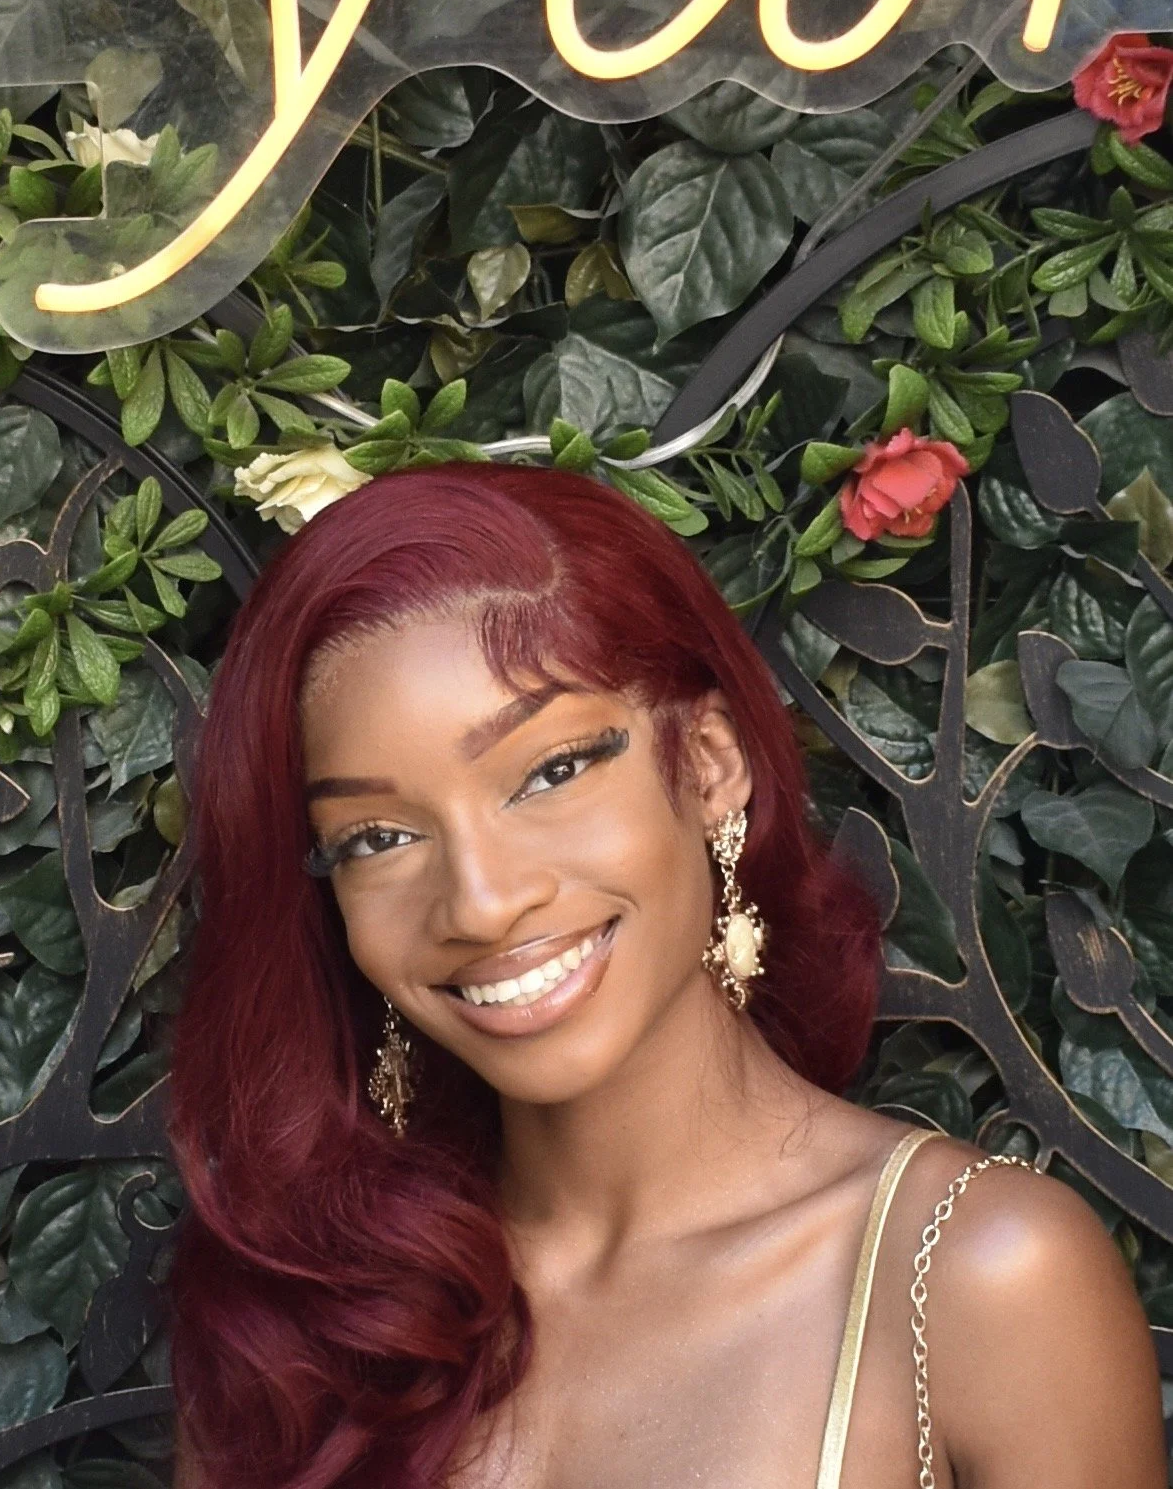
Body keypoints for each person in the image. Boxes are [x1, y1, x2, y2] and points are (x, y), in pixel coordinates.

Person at [171, 463, 1164, 1489]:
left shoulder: (979, 1276)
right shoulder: (295, 1320)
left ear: (708, 763)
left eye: (549, 771)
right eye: (376, 836)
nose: (479, 901)